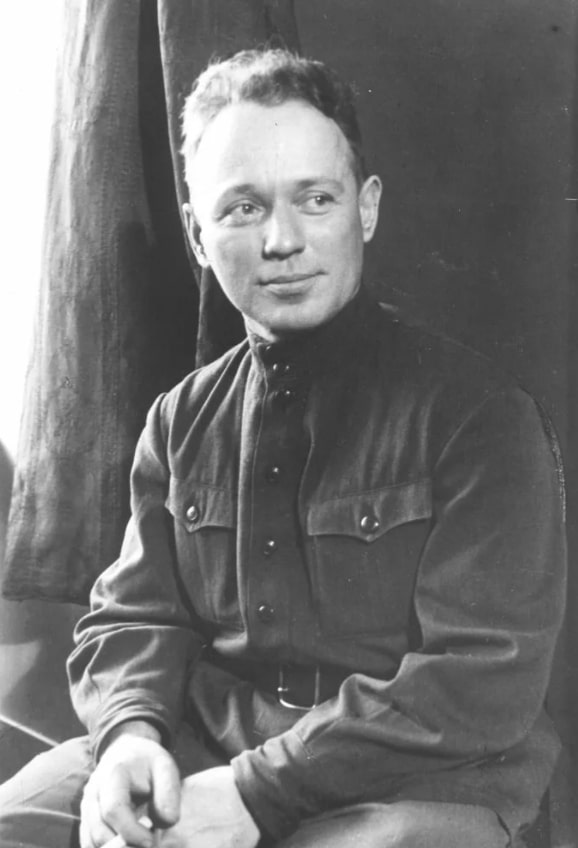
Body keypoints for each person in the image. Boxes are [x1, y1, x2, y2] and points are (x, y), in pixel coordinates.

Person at [0, 48, 566, 848]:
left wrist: (254, 793)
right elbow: (132, 616)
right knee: (17, 823)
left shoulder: (481, 417)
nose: (283, 240)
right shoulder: (179, 421)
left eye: (316, 198)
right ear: (198, 236)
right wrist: (130, 735)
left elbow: (481, 680)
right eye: (242, 208)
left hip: (413, 779)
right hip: (209, 750)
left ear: (365, 209)